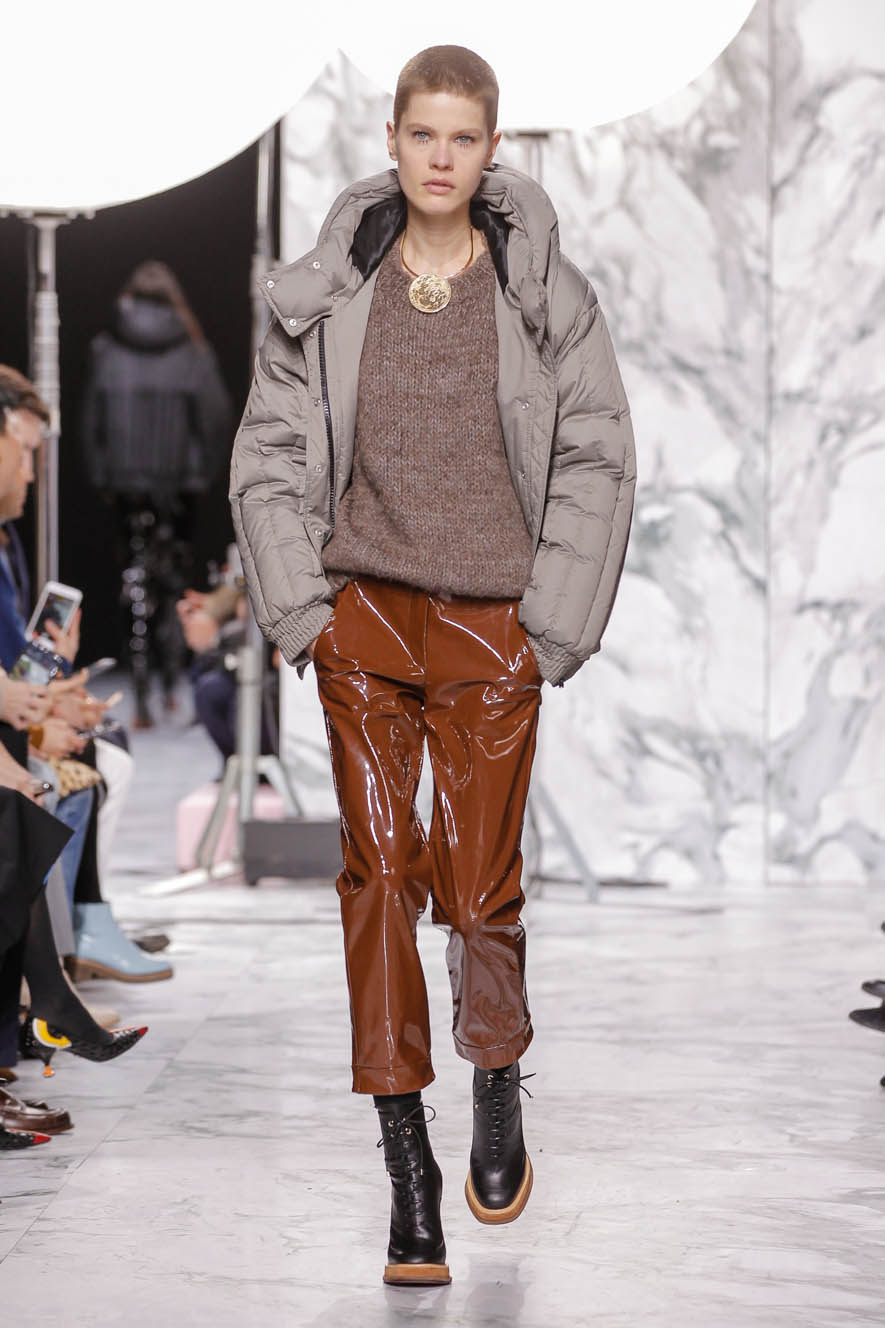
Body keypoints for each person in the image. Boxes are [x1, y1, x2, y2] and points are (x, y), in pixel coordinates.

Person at [230, 46, 635, 1285]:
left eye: (464, 137)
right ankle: (407, 1161)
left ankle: (495, 1068)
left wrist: (550, 622)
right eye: (423, 135)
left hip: (492, 618)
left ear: (492, 148)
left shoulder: (542, 289)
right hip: (364, 612)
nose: (442, 157)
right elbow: (269, 451)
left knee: (477, 879)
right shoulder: (328, 287)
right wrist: (305, 614)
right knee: (379, 871)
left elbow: (598, 451)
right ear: (393, 140)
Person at [80, 261, 233, 726]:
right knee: (172, 583)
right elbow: (216, 419)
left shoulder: (107, 350)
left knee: (134, 584)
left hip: (126, 486)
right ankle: (170, 686)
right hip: (178, 487)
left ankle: (144, 692)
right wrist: (200, 475)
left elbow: (90, 422)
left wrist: (104, 477)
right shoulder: (191, 350)